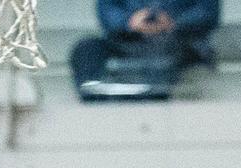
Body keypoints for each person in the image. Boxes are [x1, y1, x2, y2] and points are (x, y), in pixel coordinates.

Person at [68, 0, 218, 100]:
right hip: (126, 41)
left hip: (178, 41)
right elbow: (107, 11)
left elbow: (207, 13)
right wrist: (129, 22)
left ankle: (148, 103)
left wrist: (171, 23)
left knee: (163, 51)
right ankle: (97, 104)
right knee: (86, 48)